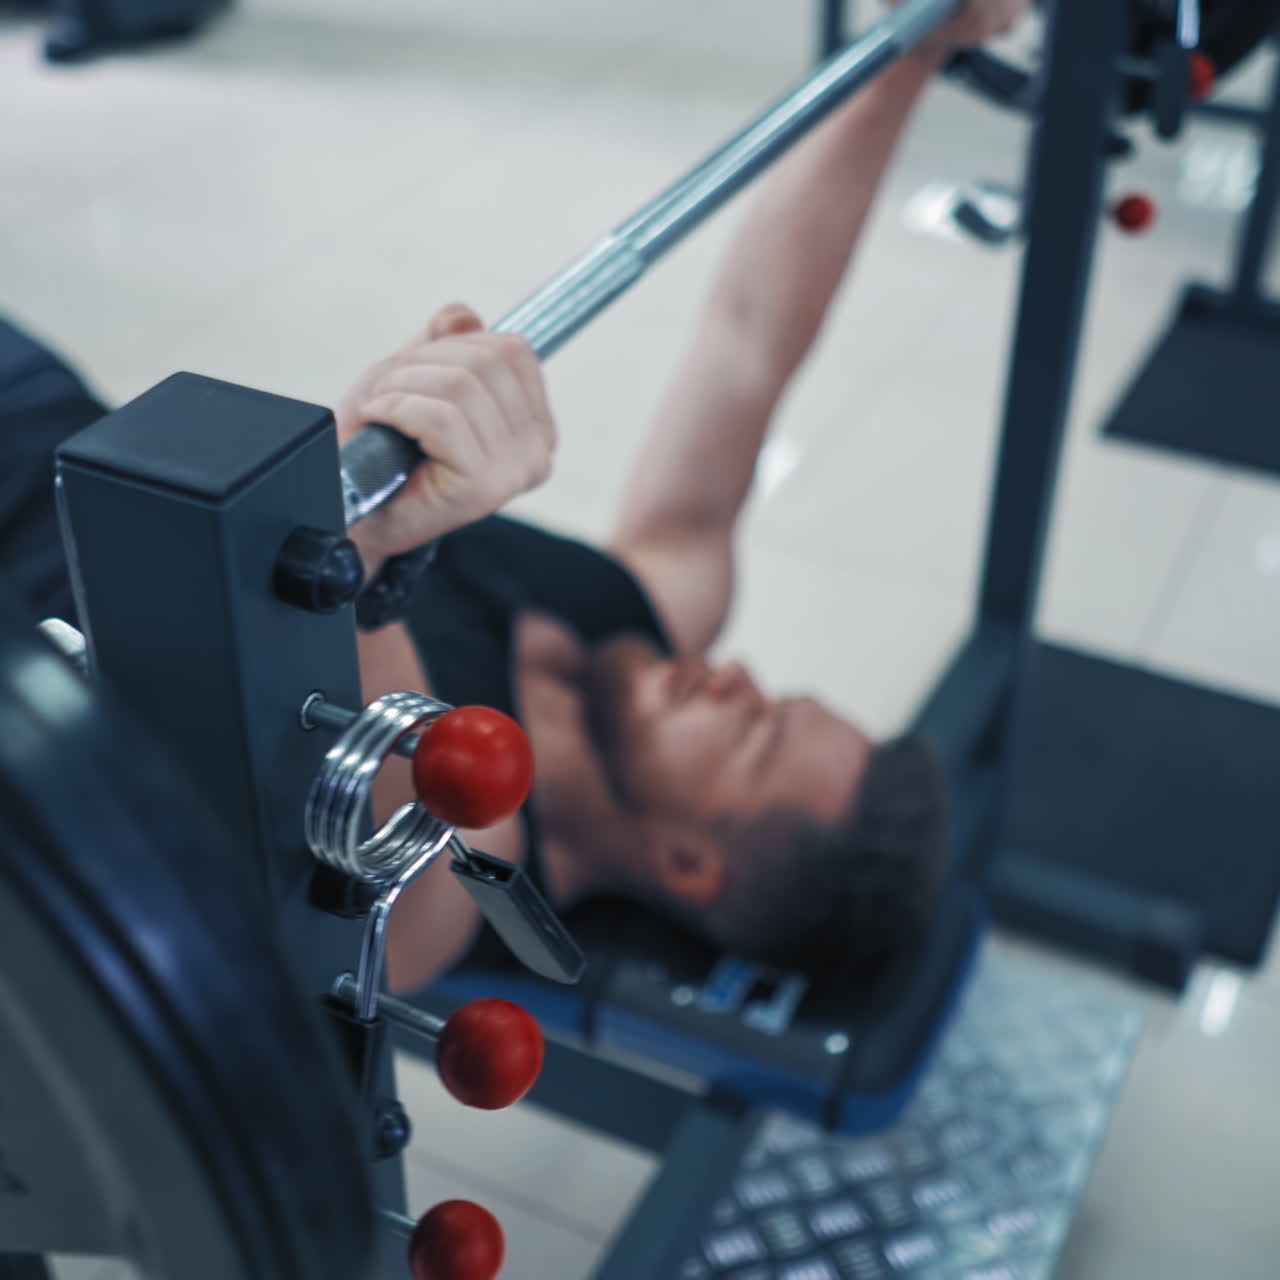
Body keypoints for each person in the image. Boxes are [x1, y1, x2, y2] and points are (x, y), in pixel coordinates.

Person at [0, 0, 1027, 994]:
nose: (732, 676)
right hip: (51, 423)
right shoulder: (647, 614)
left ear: (685, 861)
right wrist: (909, 59)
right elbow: (749, 344)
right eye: (769, 692)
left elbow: (327, 647)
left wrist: (359, 540)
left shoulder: (444, 892)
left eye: (751, 734)